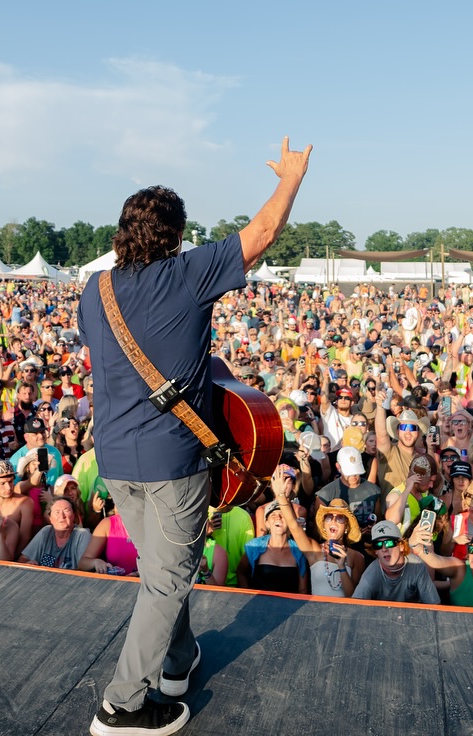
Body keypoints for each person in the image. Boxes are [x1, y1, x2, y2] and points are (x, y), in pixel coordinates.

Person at [80, 137, 310, 736]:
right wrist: (290, 178)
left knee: (160, 568)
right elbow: (261, 233)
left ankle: (178, 662)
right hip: (172, 459)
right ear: (177, 237)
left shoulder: (94, 290)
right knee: (167, 579)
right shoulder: (185, 275)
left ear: (121, 234)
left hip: (114, 456)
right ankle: (121, 706)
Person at [351, 520, 440, 604]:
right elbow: (355, 608)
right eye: (378, 545)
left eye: (389, 543)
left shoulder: (417, 566)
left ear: (401, 546)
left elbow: (434, 605)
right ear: (375, 551)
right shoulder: (370, 576)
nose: (384, 549)